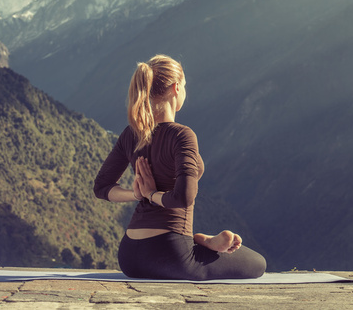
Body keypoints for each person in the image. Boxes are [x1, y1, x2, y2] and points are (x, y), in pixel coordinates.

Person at [93, 54, 266, 280]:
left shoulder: (130, 134)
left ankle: (201, 241)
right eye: (184, 86)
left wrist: (136, 195)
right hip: (170, 253)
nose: (184, 90)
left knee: (199, 250)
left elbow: (101, 187)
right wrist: (150, 194)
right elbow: (184, 197)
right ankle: (201, 242)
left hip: (129, 256)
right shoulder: (182, 135)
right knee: (258, 264)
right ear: (176, 88)